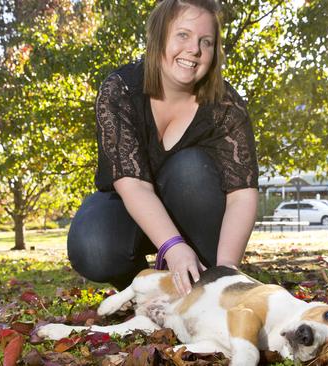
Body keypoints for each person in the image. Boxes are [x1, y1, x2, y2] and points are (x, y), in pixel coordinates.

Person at [67, 0, 258, 296]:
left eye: (205, 42)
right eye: (183, 35)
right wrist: (173, 247)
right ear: (159, 37)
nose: (194, 49)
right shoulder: (120, 89)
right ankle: (148, 290)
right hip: (127, 207)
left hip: (194, 216)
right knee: (92, 244)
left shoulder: (225, 107)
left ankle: (204, 283)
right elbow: (133, 185)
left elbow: (242, 195)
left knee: (191, 168)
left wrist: (227, 271)